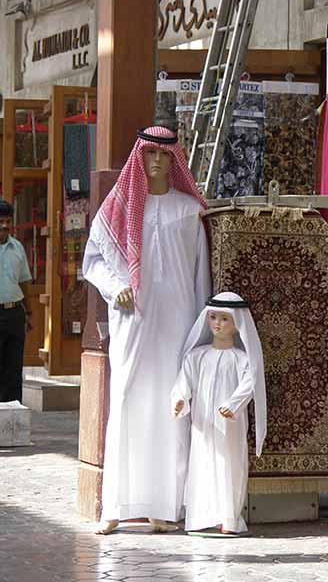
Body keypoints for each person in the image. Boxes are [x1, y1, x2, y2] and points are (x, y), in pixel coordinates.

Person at [83, 126, 211, 535]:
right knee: (125, 400)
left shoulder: (189, 211)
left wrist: (199, 331)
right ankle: (115, 507)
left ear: (175, 162)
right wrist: (116, 285)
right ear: (139, 157)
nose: (157, 161)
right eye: (150, 154)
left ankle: (163, 506)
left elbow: (199, 277)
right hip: (133, 318)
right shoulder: (118, 208)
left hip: (177, 320)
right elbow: (94, 261)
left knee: (170, 405)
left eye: (164, 156)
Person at [171, 291, 267, 535]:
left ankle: (229, 518)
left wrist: (233, 404)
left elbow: (250, 383)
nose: (217, 323)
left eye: (224, 319)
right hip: (203, 422)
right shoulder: (197, 355)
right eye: (213, 317)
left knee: (229, 465)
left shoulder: (242, 359)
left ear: (237, 324)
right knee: (202, 464)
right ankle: (202, 515)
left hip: (229, 424)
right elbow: (184, 381)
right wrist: (180, 399)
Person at [0, 199, 32, 403]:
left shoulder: (17, 247)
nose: (4, 225)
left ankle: (12, 416)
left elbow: (25, 282)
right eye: (0, 221)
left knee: (13, 367)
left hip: (14, 314)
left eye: (7, 221)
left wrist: (28, 313)